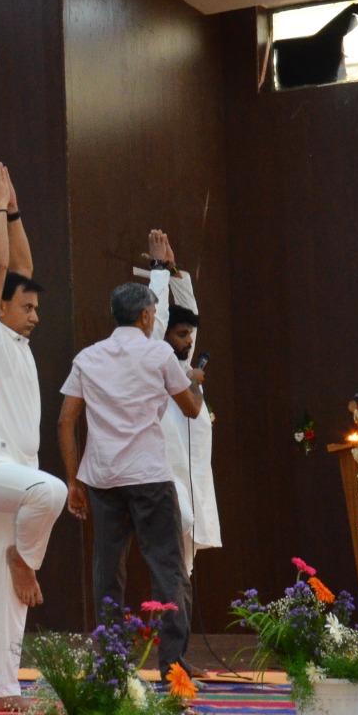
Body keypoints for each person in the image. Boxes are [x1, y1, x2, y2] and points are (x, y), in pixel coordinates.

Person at [0, 161, 67, 713]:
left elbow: (21, 264)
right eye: (25, 306)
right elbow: (0, 263)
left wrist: (17, 209)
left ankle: (3, 691)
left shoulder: (19, 344)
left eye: (37, 308)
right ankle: (25, 559)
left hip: (11, 476)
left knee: (9, 595)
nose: (34, 315)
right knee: (53, 492)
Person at [57, 279, 205, 678]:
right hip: (150, 477)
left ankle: (111, 664)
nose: (153, 319)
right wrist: (196, 381)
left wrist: (73, 482)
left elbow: (65, 421)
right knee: (168, 569)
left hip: (103, 479)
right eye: (154, 313)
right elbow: (190, 409)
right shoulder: (158, 353)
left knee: (108, 571)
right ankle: (173, 666)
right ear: (144, 315)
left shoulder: (87, 357)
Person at [139, 232, 220, 579]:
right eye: (181, 334)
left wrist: (173, 270)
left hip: (195, 473)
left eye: (190, 335)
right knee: (181, 525)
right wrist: (157, 271)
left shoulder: (187, 367)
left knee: (187, 561)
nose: (188, 341)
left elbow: (191, 311)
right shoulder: (155, 362)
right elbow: (157, 327)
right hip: (165, 472)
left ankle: (176, 623)